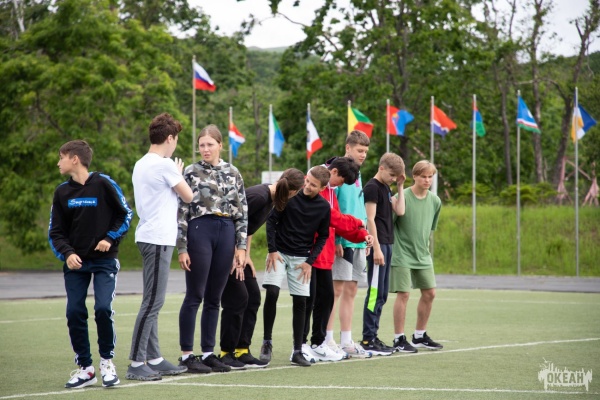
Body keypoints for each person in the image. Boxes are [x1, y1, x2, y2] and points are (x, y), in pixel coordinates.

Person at [49, 140, 133, 389]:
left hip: (105, 262)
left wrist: (110, 238)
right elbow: (55, 232)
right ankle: (86, 368)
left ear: (74, 159)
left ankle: (107, 362)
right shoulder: (61, 192)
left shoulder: (104, 183)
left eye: (61, 157)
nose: (58, 162)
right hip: (76, 264)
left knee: (103, 308)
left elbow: (126, 214)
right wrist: (67, 254)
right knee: (74, 312)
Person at [126, 113, 194, 381]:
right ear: (169, 138)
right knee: (153, 302)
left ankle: (153, 358)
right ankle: (136, 362)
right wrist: (178, 173)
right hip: (157, 239)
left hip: (148, 236)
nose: (175, 144)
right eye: (175, 139)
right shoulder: (165, 165)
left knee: (152, 300)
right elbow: (188, 195)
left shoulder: (141, 163)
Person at [176, 125, 248, 374]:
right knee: (195, 294)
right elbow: (182, 210)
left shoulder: (233, 172)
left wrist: (241, 246)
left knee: (215, 297)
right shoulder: (190, 171)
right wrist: (182, 246)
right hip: (200, 231)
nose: (205, 149)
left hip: (226, 231)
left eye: (210, 144)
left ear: (220, 145)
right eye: (201, 145)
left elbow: (242, 211)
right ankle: (187, 354)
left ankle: (208, 353)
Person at [218, 168, 305, 369]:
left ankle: (242, 350)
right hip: (225, 249)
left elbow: (247, 228)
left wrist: (246, 255)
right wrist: (235, 255)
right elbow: (231, 223)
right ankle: (226, 353)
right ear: (294, 192)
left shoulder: (272, 199)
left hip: (239, 251)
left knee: (253, 297)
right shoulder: (259, 196)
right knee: (238, 298)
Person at [303, 157, 373, 362]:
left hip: (324, 254)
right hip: (310, 254)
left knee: (325, 299)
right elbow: (333, 217)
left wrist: (361, 235)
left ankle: (318, 343)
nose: (340, 186)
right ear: (333, 172)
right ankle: (301, 345)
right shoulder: (316, 185)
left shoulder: (331, 191)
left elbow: (336, 223)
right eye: (341, 182)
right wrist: (358, 223)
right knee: (308, 301)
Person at [260, 166, 331, 367]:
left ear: (322, 188)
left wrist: (309, 262)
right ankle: (267, 343)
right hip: (279, 254)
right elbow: (271, 222)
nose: (307, 186)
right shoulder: (290, 196)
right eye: (307, 181)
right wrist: (272, 250)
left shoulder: (324, 207)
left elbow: (323, 236)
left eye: (313, 185)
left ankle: (297, 351)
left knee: (301, 302)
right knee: (272, 292)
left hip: (302, 259)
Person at [326, 130, 373, 358]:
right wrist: (336, 238)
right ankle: (327, 339)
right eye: (359, 150)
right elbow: (332, 208)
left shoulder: (358, 173)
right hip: (342, 240)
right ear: (348, 148)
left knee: (352, 290)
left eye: (365, 151)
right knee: (335, 290)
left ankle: (346, 340)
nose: (363, 154)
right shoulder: (337, 172)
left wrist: (365, 235)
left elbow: (357, 207)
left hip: (357, 240)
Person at [390, 160, 443, 352]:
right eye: (423, 176)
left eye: (430, 177)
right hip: (401, 254)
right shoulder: (401, 197)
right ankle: (398, 339)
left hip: (423, 256)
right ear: (414, 177)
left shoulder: (435, 201)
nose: (427, 180)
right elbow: (389, 225)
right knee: (403, 294)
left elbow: (429, 229)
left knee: (430, 293)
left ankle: (419, 336)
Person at [360, 152, 406, 356]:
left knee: (383, 294)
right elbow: (370, 219)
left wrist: (400, 187)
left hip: (388, 243)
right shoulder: (372, 187)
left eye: (397, 176)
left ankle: (373, 336)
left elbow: (400, 211)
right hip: (378, 245)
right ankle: (368, 339)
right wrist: (376, 248)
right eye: (392, 175)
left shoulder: (387, 187)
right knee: (375, 293)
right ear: (381, 168)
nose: (394, 178)